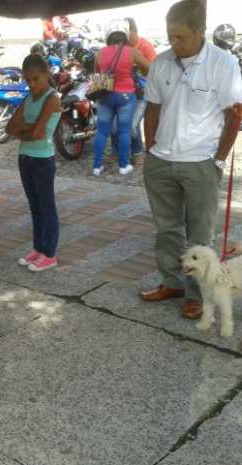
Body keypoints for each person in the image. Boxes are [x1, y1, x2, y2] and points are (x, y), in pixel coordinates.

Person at [140, 0, 242, 320]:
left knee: (200, 235)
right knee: (167, 229)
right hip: (161, 160)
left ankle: (199, 295)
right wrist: (149, 150)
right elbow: (152, 108)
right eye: (170, 36)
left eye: (180, 37)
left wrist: (218, 160)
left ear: (200, 32)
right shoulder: (161, 62)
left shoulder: (223, 63)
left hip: (201, 161)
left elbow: (234, 116)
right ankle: (171, 283)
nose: (174, 43)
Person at [6, 54, 62, 272]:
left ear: (46, 74)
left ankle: (50, 254)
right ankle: (39, 248)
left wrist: (23, 130)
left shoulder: (51, 98)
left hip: (42, 160)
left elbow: (39, 133)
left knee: (47, 207)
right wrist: (28, 129)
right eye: (27, 80)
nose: (31, 84)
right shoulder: (29, 98)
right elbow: (9, 127)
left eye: (35, 79)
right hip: (25, 158)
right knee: (34, 206)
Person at [92, 19, 150, 176]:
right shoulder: (132, 52)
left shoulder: (100, 53)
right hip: (126, 97)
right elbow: (150, 68)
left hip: (105, 96)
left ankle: (97, 167)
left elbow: (97, 74)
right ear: (124, 34)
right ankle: (124, 166)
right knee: (124, 131)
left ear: (108, 35)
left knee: (102, 131)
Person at [111, 17, 157, 165]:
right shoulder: (119, 47)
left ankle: (137, 151)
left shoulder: (145, 46)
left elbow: (154, 71)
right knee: (114, 126)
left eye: (125, 33)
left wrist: (136, 68)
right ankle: (117, 151)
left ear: (133, 32)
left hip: (141, 93)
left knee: (132, 126)